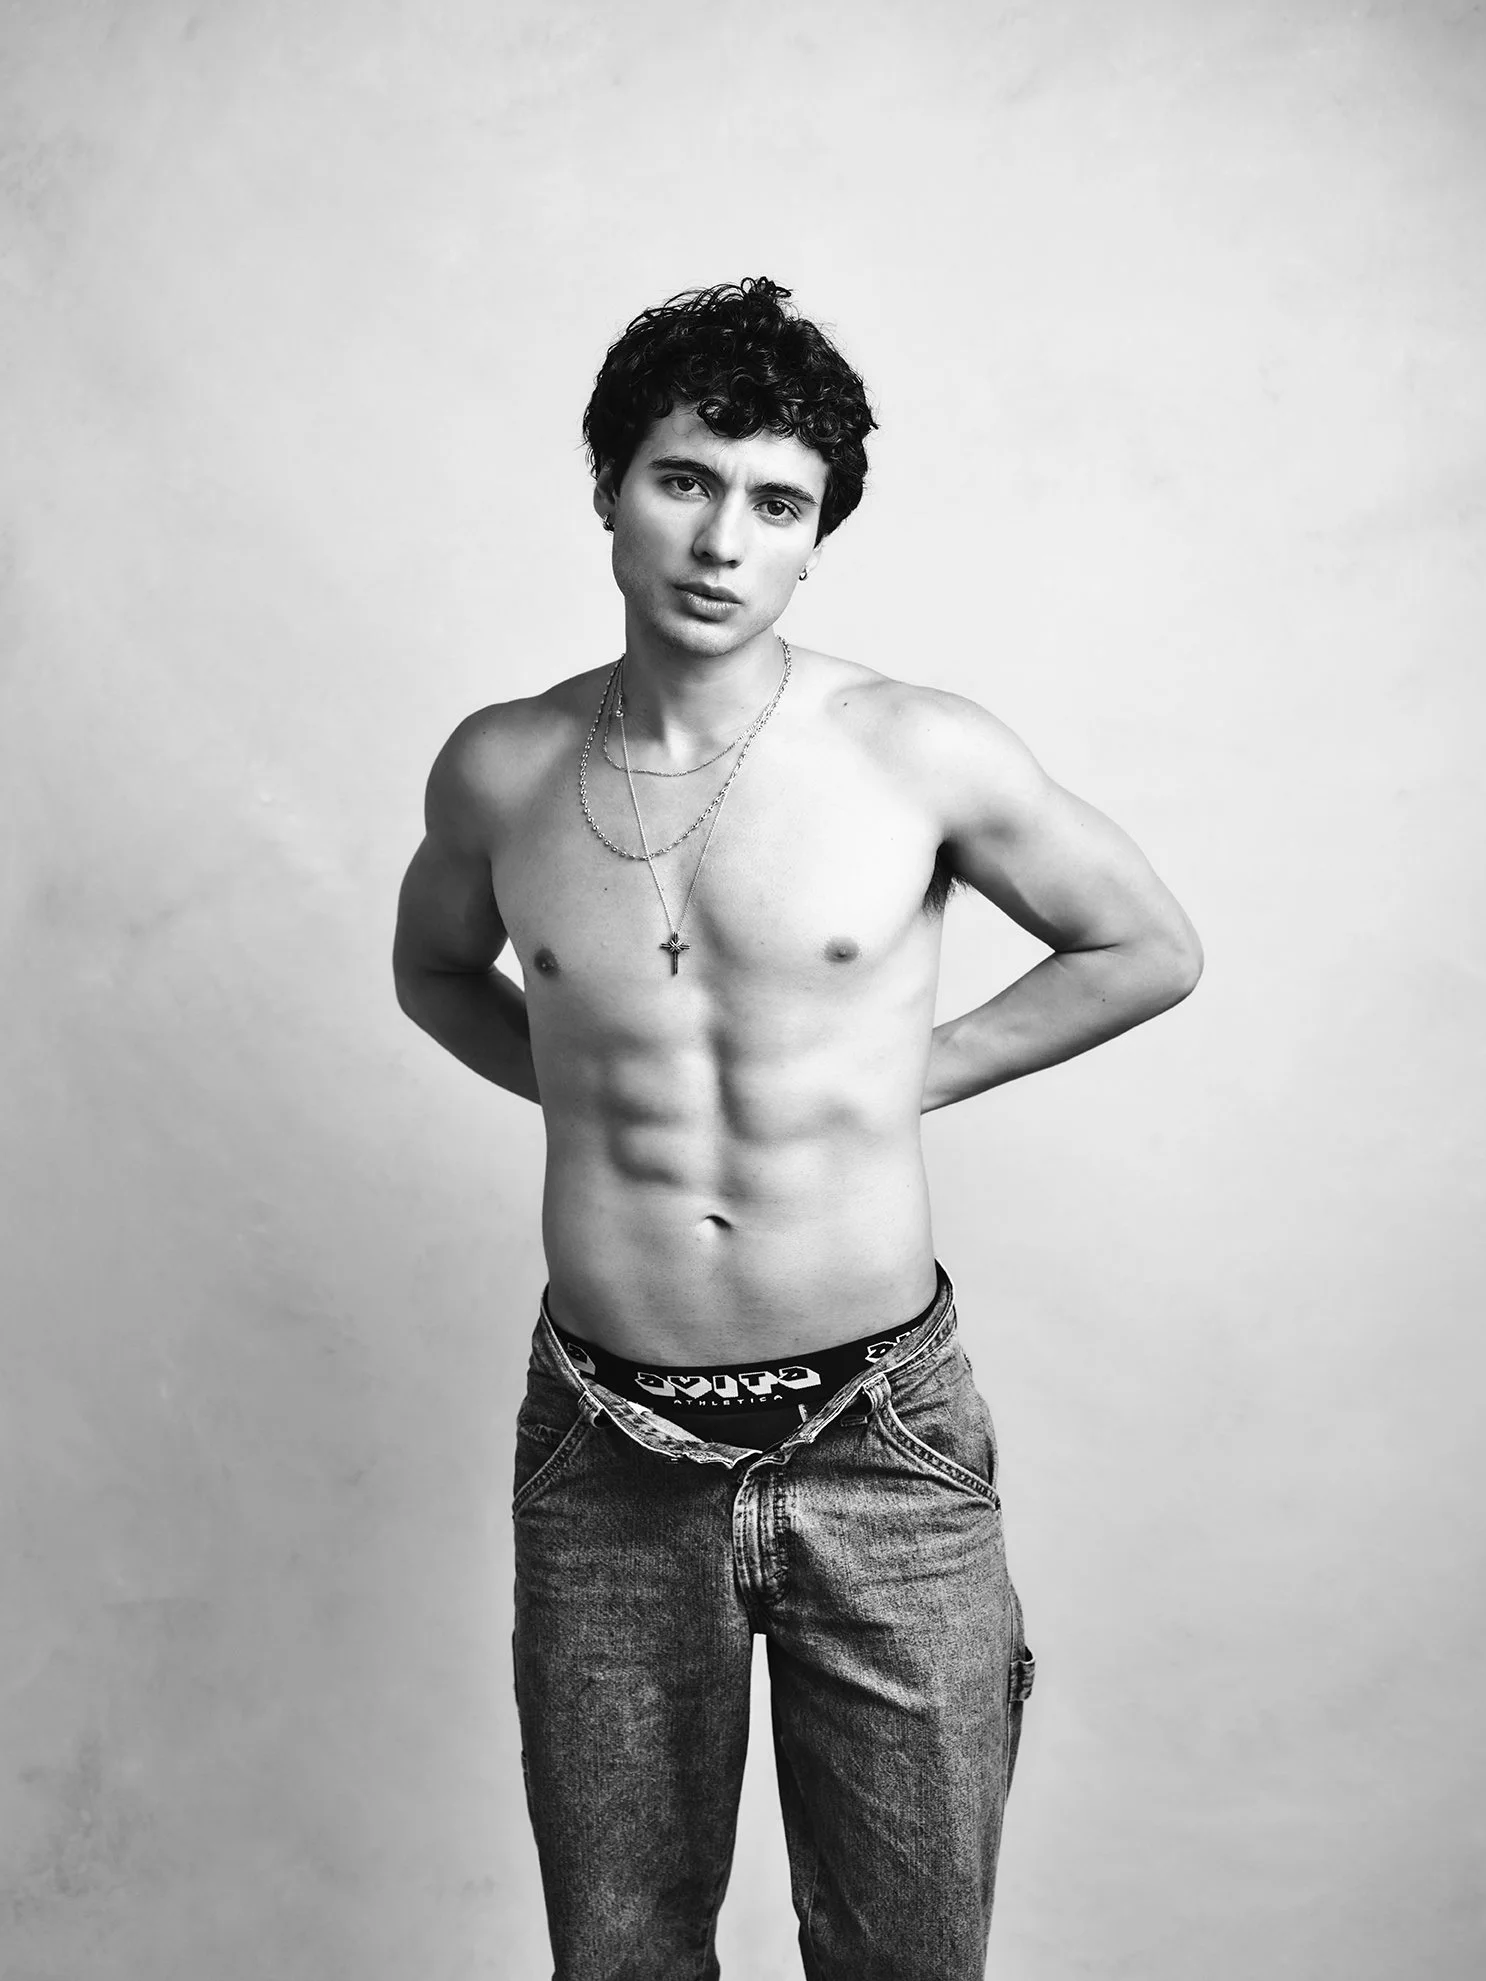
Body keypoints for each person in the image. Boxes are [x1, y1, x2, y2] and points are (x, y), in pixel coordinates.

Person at [392, 277, 1202, 1981]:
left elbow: (1145, 945)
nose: (722, 542)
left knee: (905, 1957)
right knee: (622, 1958)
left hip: (879, 1442)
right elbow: (435, 971)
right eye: (684, 481)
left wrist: (919, 1070)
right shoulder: (503, 768)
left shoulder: (912, 747)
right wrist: (592, 1093)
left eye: (777, 505)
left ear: (817, 538)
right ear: (609, 486)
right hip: (605, 1450)